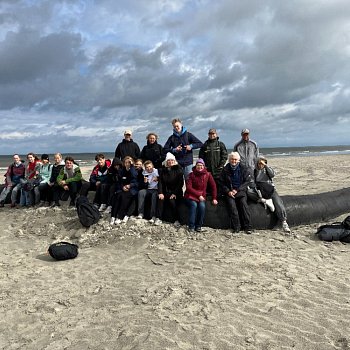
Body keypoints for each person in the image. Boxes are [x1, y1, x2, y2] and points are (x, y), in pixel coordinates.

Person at [248, 156, 291, 233]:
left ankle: (284, 222)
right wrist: (257, 191)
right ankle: (264, 201)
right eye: (259, 163)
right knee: (249, 192)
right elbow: (252, 183)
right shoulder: (254, 171)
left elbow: (273, 174)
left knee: (278, 202)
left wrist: (266, 166)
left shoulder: (267, 170)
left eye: (262, 163)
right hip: (260, 191)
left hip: (270, 190)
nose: (261, 165)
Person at [219, 151, 253, 234]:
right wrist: (228, 191)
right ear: (229, 160)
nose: (233, 161)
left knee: (243, 204)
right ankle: (237, 227)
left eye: (235, 159)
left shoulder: (244, 168)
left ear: (238, 160)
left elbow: (247, 182)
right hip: (229, 192)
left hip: (240, 191)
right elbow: (221, 183)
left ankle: (247, 227)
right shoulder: (225, 169)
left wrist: (237, 190)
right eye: (231, 159)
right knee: (232, 206)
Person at [184, 158, 218, 232]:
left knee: (202, 206)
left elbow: (213, 186)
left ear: (204, 166)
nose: (200, 167)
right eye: (198, 165)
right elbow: (189, 188)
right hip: (190, 195)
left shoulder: (208, 174)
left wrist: (214, 198)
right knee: (194, 205)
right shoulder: (191, 175)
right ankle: (191, 226)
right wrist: (199, 195)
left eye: (201, 165)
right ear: (195, 166)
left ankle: (198, 226)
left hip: (201, 197)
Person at [156, 152, 184, 227]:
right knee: (160, 199)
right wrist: (160, 192)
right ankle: (159, 218)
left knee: (172, 201)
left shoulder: (179, 170)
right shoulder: (163, 171)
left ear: (174, 161)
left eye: (172, 160)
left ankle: (176, 220)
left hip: (176, 192)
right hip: (166, 191)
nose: (170, 162)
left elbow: (180, 184)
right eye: (168, 160)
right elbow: (160, 182)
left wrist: (174, 193)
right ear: (166, 161)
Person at [110, 156, 139, 225]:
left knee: (124, 197)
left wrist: (130, 185)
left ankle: (120, 217)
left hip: (132, 189)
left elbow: (136, 181)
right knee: (117, 195)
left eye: (129, 162)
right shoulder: (122, 170)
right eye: (126, 162)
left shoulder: (134, 170)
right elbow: (119, 181)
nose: (127, 164)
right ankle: (113, 216)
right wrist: (123, 187)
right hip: (123, 188)